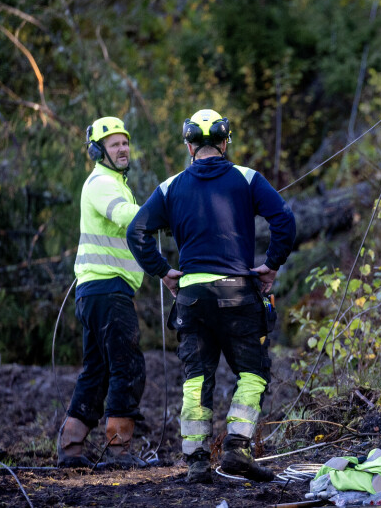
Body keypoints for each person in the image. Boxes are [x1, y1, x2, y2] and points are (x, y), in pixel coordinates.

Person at [127, 109, 297, 484]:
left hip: (191, 298)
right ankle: (237, 448)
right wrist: (271, 265)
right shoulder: (247, 178)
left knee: (195, 379)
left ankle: (197, 463)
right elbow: (285, 220)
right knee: (252, 373)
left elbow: (136, 232)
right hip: (238, 293)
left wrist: (164, 272)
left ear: (189, 146)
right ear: (224, 143)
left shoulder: (170, 187)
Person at [58, 116, 147, 469]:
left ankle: (71, 447)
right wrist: (165, 213)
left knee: (96, 370)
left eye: (125, 142)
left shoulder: (114, 182)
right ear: (99, 151)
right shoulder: (101, 184)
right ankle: (119, 452)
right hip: (107, 291)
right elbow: (126, 216)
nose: (123, 148)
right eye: (114, 144)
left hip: (98, 292)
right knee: (127, 366)